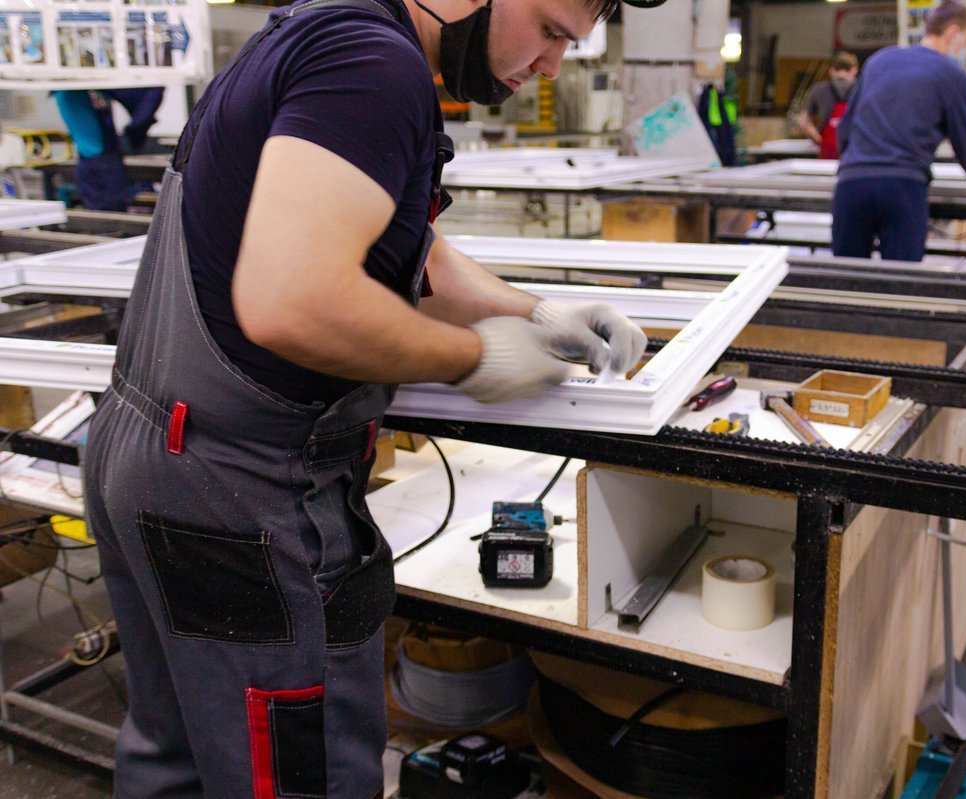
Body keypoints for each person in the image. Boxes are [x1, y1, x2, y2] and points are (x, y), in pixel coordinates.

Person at [82, 0, 658, 795]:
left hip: (153, 456)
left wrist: (534, 313)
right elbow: (292, 302)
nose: (552, 64)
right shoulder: (374, 66)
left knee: (177, 755)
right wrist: (474, 358)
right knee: (299, 773)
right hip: (241, 495)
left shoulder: (324, 29)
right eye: (552, 30)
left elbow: (405, 249)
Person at [832, 0, 966, 262]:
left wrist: (857, 165)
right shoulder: (951, 74)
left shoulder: (879, 60)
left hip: (852, 186)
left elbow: (844, 129)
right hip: (902, 188)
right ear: (952, 32)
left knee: (845, 276)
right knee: (901, 279)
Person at [53, 87, 165, 210]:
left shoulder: (87, 91)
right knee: (109, 212)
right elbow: (93, 146)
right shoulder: (69, 94)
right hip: (99, 164)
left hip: (104, 161)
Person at [795, 51, 858, 160]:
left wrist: (820, 141)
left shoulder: (818, 90)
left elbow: (803, 123)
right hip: (855, 151)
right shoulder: (864, 89)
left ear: (831, 70)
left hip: (828, 153)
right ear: (854, 70)